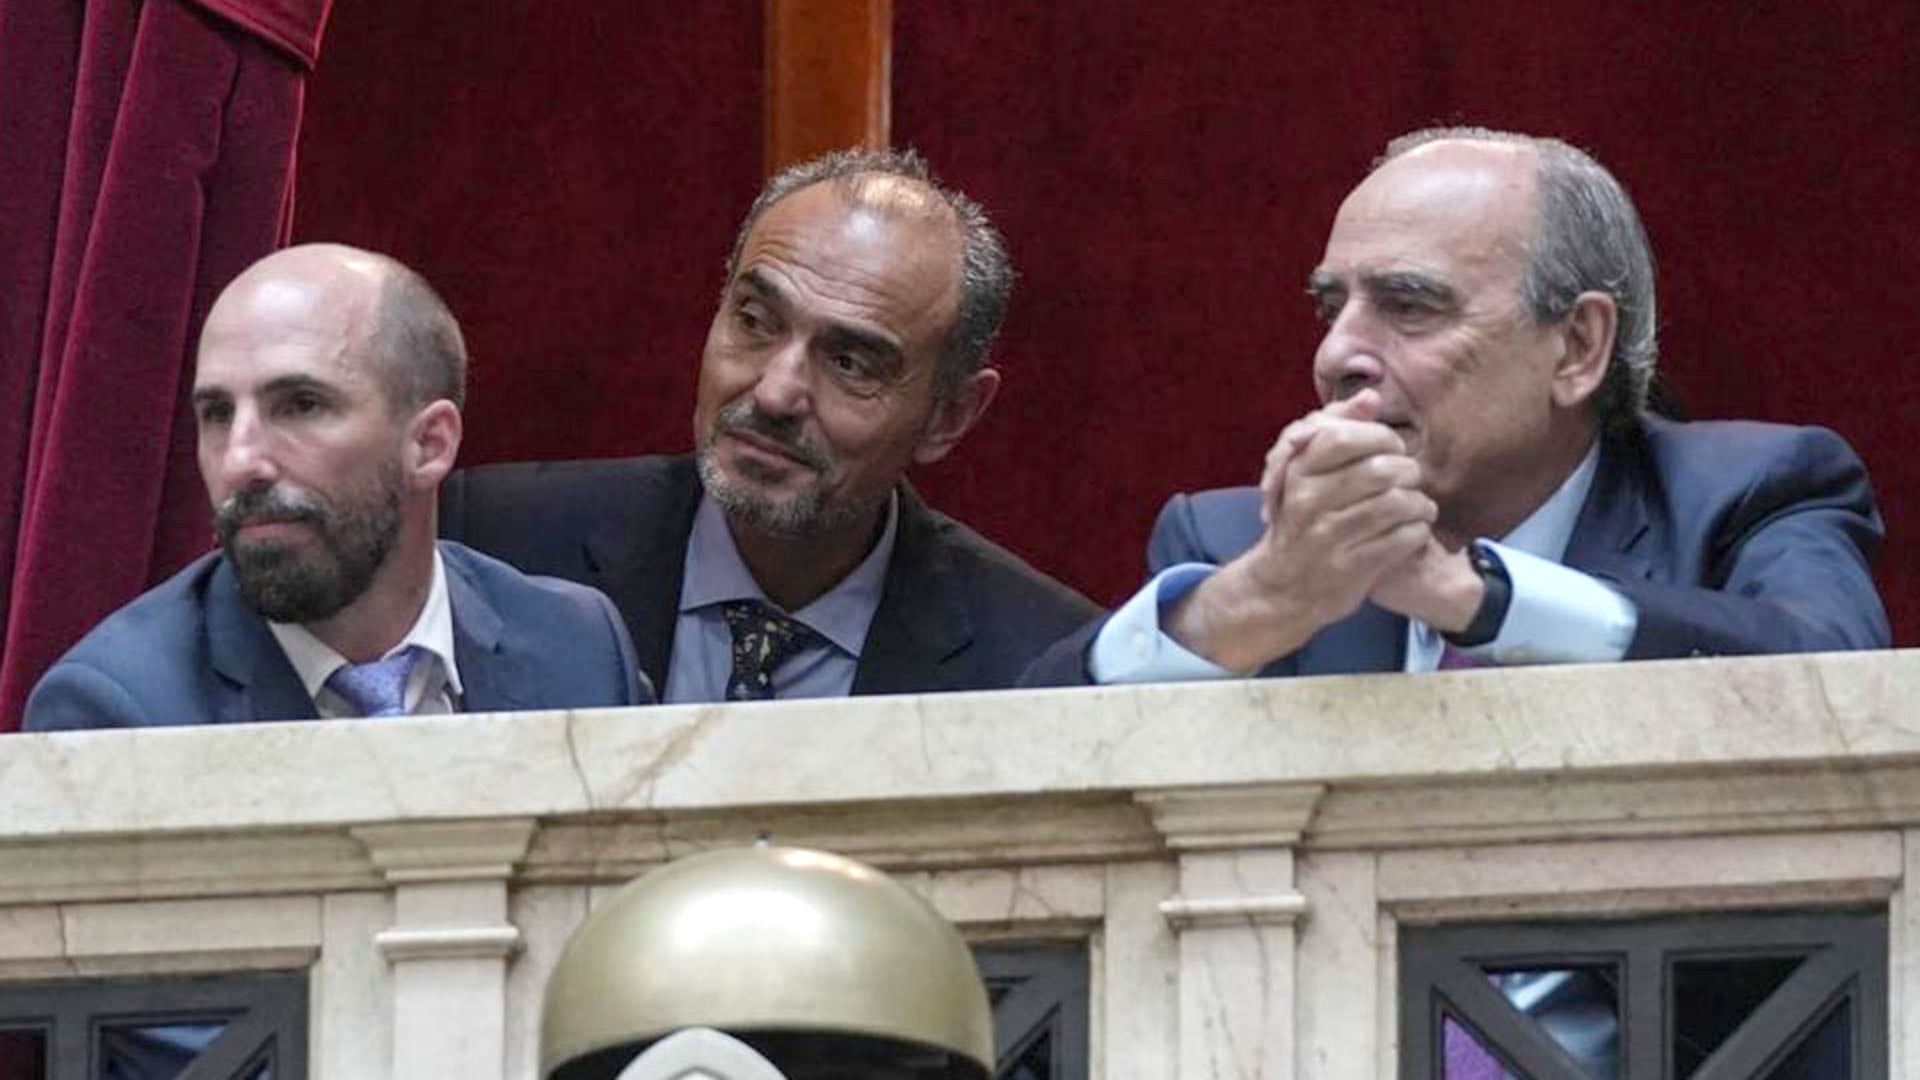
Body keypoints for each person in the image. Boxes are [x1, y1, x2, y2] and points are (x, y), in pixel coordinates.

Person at [1024, 126, 1889, 689]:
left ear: (1577, 347)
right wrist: (1248, 603)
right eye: (1332, 308)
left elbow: (1848, 685)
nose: (1336, 358)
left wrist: (1473, 596)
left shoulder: (1747, 491)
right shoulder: (1235, 543)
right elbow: (1022, 750)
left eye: (1410, 306)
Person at [440, 149, 1096, 703]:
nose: (776, 392)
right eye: (755, 321)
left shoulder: (1036, 668)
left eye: (849, 362)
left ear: (949, 416)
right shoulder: (495, 540)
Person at [24, 245, 649, 730]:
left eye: (300, 405)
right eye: (217, 414)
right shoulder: (119, 707)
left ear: (430, 444)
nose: (241, 461)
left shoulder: (577, 646)